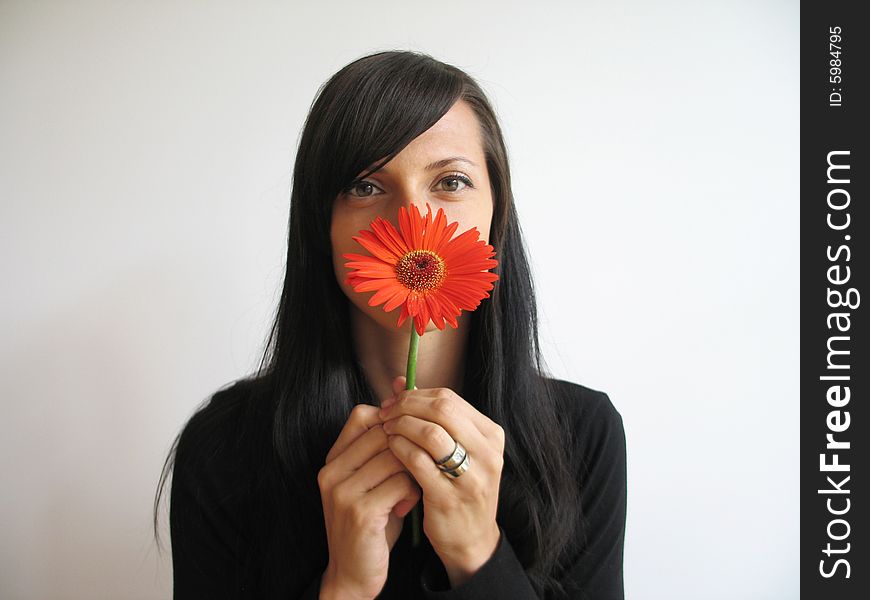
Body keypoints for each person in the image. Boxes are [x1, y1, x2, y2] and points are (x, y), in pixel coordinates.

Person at [154, 50, 627, 599]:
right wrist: (345, 587)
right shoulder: (225, 449)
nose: (411, 220)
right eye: (365, 186)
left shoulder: (582, 436)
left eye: (450, 182)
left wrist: (479, 553)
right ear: (319, 224)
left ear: (496, 213)